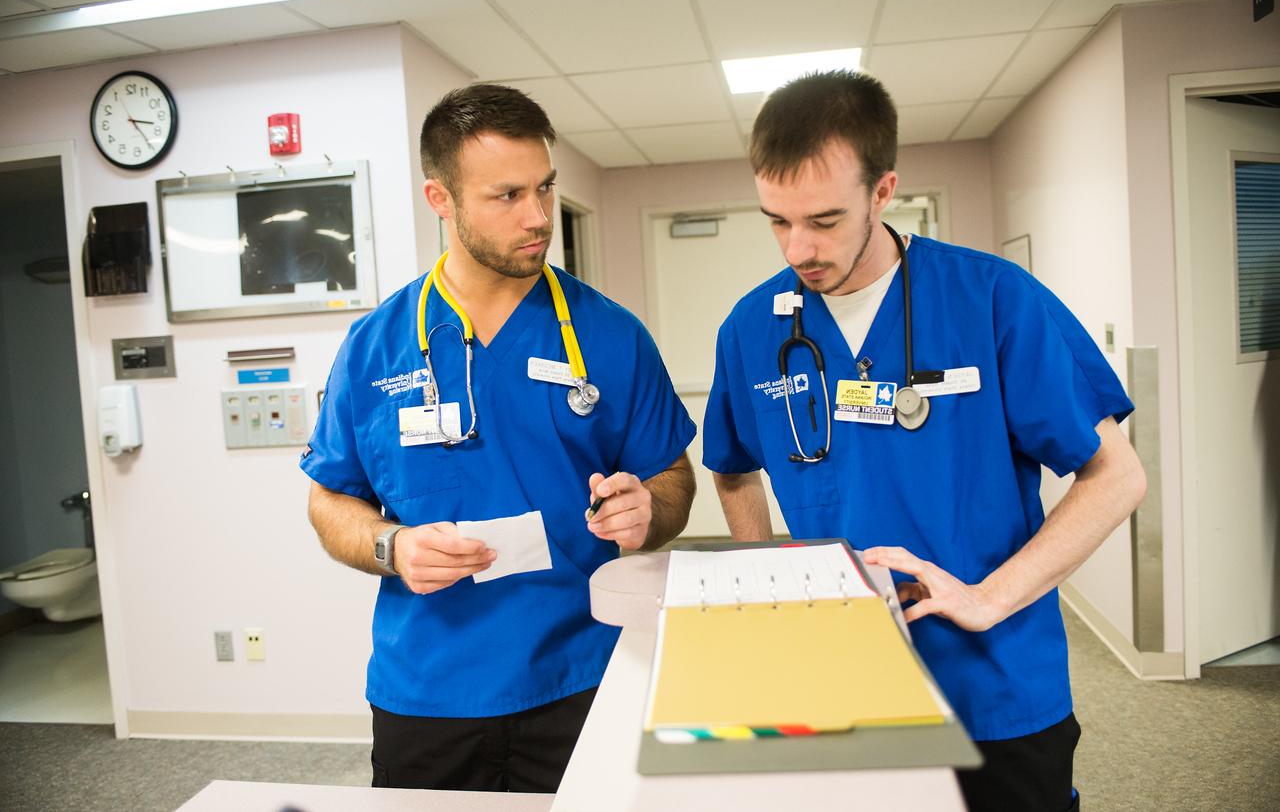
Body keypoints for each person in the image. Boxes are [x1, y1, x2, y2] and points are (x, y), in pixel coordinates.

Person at [701, 70, 1146, 812]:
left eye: (824, 219)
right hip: (842, 686)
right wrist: (769, 583)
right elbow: (734, 469)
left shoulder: (994, 299)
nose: (797, 248)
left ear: (883, 192)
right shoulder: (752, 329)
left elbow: (1117, 477)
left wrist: (988, 598)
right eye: (776, 220)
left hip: (993, 681)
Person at [302, 83, 696, 793]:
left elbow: (672, 481)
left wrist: (648, 509)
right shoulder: (375, 348)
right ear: (441, 199)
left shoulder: (611, 336)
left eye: (544, 188)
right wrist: (392, 546)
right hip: (427, 689)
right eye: (507, 196)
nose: (539, 216)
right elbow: (331, 501)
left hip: (587, 672)